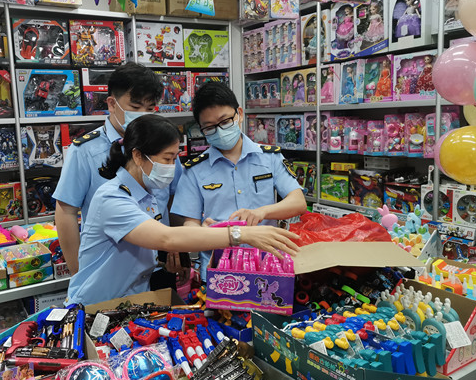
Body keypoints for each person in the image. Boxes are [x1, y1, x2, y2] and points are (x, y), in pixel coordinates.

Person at [67, 115, 300, 305]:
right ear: (137, 156)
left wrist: (208, 233)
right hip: (96, 305)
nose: (172, 167)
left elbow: (147, 245)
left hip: (133, 299)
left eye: (175, 159)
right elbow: (166, 238)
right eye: (167, 159)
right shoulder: (112, 198)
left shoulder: (147, 194)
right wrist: (240, 234)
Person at [53, 62, 183, 277]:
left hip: (160, 266)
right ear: (112, 104)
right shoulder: (85, 150)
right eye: (135, 107)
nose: (143, 115)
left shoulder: (163, 146)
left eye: (150, 109)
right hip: (110, 272)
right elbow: (66, 211)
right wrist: (79, 273)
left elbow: (173, 199)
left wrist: (180, 253)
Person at [170, 83, 307, 279]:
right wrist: (203, 231)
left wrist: (262, 212)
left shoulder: (269, 157)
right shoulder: (194, 170)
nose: (219, 131)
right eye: (209, 127)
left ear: (239, 114)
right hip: (218, 271)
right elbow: (189, 224)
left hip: (266, 268)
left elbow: (298, 202)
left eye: (225, 121)